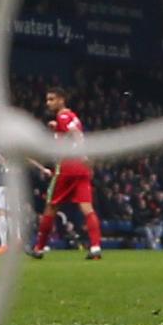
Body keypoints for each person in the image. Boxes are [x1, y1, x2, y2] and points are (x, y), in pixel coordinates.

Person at [28, 86, 102, 261]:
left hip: (67, 167)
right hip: (82, 169)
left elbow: (74, 135)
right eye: (47, 99)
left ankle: (38, 248)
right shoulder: (73, 116)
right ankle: (96, 247)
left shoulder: (62, 116)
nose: (48, 103)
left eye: (52, 99)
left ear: (62, 99)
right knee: (87, 208)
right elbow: (72, 133)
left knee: (50, 207)